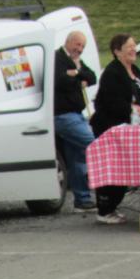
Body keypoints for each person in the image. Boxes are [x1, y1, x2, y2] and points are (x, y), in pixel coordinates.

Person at [89, 33, 140, 224]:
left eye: (135, 46)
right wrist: (136, 109)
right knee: (113, 168)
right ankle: (105, 209)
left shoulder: (135, 70)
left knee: (124, 168)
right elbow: (111, 103)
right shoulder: (112, 73)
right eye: (129, 47)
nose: (134, 49)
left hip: (129, 127)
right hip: (109, 127)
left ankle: (113, 206)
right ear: (117, 51)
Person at [53, 30, 98, 212]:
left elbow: (92, 77)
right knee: (94, 144)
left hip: (77, 114)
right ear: (68, 42)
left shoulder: (75, 62)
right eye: (77, 44)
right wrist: (79, 79)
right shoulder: (57, 58)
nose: (79, 49)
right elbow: (59, 81)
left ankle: (82, 199)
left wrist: (77, 72)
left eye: (82, 46)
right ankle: (106, 188)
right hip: (64, 116)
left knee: (77, 157)